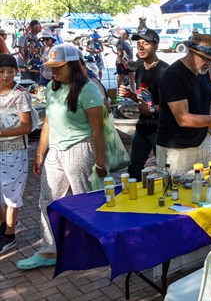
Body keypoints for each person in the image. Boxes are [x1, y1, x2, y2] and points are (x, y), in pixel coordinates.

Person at [17, 44, 107, 269]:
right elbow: (48, 122)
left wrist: (100, 163)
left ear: (73, 65)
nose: (53, 72)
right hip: (55, 152)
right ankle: (50, 250)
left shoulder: (88, 89)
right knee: (47, 200)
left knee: (84, 201)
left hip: (80, 150)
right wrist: (40, 154)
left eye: (59, 67)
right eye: (51, 67)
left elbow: (98, 130)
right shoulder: (51, 87)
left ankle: (91, 248)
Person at [156, 33, 211, 175]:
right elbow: (183, 118)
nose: (208, 63)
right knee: (178, 193)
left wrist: (207, 134)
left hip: (202, 142)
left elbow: (206, 102)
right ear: (191, 52)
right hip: (177, 147)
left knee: (209, 185)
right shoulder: (173, 75)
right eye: (205, 58)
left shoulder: (203, 72)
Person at [118, 29, 169, 180]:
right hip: (142, 128)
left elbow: (173, 106)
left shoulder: (165, 71)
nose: (140, 47)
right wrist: (130, 95)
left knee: (164, 170)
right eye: (138, 43)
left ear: (156, 46)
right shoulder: (139, 69)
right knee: (134, 169)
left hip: (160, 130)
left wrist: (151, 109)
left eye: (145, 43)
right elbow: (144, 100)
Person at [0, 54, 33, 253]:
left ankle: (10, 236)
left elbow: (26, 127)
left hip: (14, 152)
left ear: (16, 72)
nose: (5, 76)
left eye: (10, 71)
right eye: (1, 72)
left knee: (12, 195)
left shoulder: (20, 94)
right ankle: (5, 226)